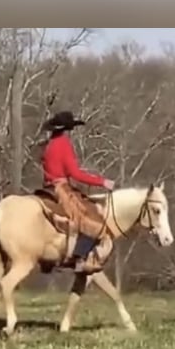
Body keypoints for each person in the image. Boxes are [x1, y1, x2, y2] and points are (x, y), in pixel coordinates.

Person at [40, 110, 115, 273]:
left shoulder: (49, 145)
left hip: (47, 187)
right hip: (60, 188)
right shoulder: (63, 144)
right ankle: (78, 258)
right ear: (67, 129)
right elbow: (76, 174)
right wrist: (102, 181)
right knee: (89, 221)